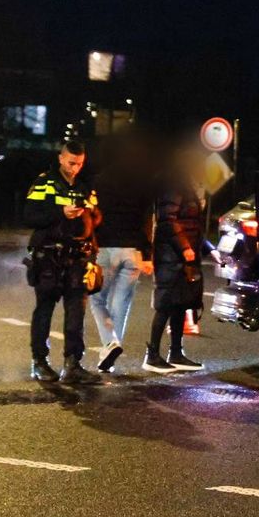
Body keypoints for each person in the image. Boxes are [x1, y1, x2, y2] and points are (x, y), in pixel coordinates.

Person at [23, 140, 103, 384]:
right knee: (45, 309)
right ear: (60, 158)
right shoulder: (44, 182)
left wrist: (92, 254)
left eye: (79, 164)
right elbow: (29, 216)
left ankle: (73, 364)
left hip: (77, 257)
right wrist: (61, 213)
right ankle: (39, 362)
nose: (74, 168)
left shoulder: (84, 187)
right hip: (48, 256)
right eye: (71, 162)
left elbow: (96, 220)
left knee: (76, 312)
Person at [88, 141, 154, 373]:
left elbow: (92, 215)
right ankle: (111, 347)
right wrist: (147, 253)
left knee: (96, 299)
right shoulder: (143, 184)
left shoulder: (100, 180)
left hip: (105, 247)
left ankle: (110, 341)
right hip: (133, 251)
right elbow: (148, 220)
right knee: (121, 303)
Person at [143, 151, 211, 373]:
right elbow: (167, 221)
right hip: (170, 256)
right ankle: (152, 355)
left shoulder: (187, 186)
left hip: (183, 257)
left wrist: (209, 249)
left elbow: (194, 223)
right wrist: (185, 247)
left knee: (181, 303)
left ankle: (176, 352)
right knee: (165, 304)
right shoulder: (173, 185)